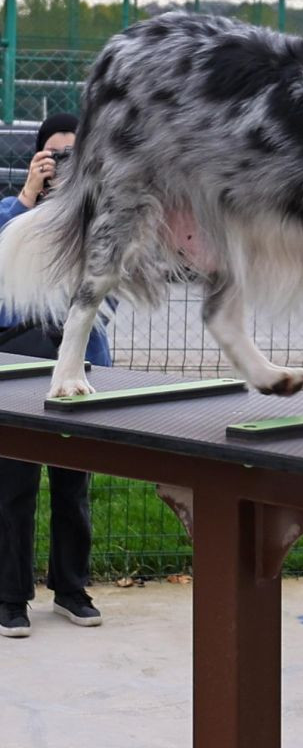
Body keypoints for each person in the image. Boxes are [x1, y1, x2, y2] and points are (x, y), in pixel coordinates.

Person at [0, 114, 111, 638]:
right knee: (12, 486)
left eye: (74, 154)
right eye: (55, 154)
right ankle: (10, 597)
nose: (64, 164)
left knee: (73, 485)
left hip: (76, 368)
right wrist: (27, 195)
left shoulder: (98, 216)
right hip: (15, 363)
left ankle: (71, 589)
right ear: (37, 158)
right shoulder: (13, 212)